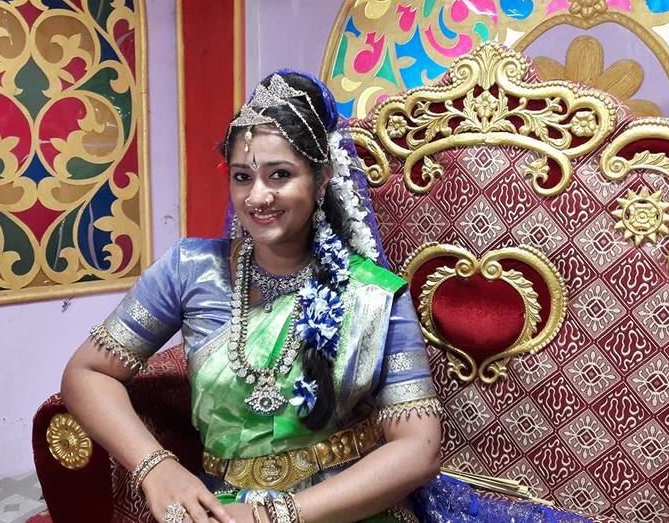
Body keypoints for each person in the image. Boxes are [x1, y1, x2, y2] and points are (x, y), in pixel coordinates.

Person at [61, 70, 443, 523]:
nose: (257, 197)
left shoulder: (373, 295)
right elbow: (86, 373)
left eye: (279, 174)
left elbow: (419, 447)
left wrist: (274, 517)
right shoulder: (190, 269)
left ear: (321, 180)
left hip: (339, 509)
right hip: (221, 509)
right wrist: (155, 465)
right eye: (243, 177)